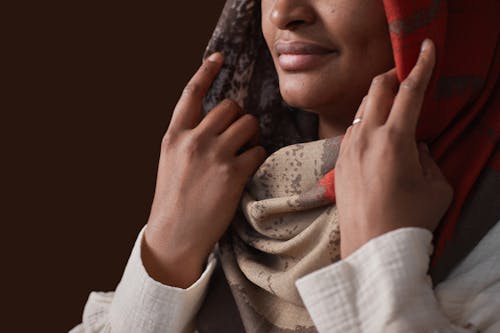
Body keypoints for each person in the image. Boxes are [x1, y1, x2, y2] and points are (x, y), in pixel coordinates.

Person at [70, 0, 499, 332]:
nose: (282, 12)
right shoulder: (223, 201)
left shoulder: (487, 231)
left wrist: (380, 262)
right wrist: (164, 258)